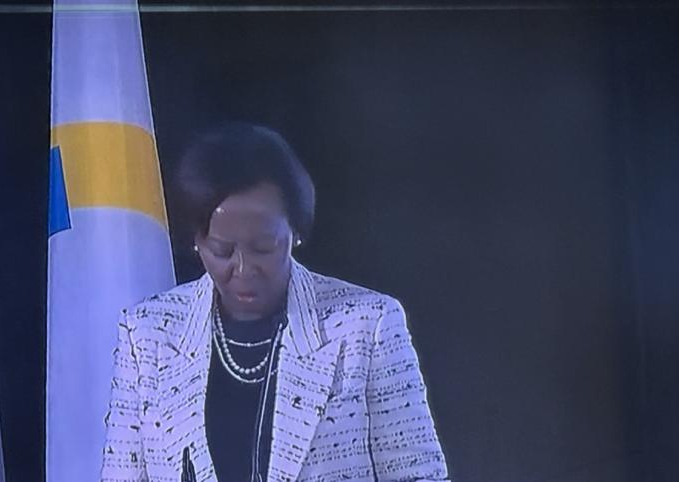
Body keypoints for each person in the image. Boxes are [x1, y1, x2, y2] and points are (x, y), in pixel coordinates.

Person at [100, 124, 449, 482]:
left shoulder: (367, 325)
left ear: (295, 232)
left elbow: (419, 476)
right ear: (196, 242)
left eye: (264, 247)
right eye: (222, 251)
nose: (243, 268)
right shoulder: (146, 334)